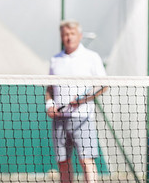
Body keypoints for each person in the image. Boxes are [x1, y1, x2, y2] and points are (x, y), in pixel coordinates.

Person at [45, 20, 108, 183]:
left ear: (79, 36)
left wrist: (82, 100)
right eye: (65, 34)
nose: (69, 37)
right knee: (63, 162)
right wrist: (50, 105)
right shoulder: (55, 60)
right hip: (59, 119)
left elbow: (103, 85)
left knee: (86, 161)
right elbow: (49, 88)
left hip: (83, 118)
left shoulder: (91, 57)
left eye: (72, 34)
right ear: (61, 36)